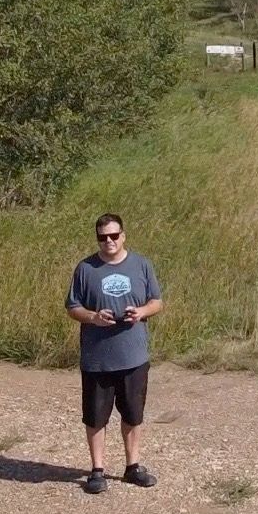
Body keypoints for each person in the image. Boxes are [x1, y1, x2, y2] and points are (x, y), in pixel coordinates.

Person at [65, 212, 164, 495]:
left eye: (113, 235)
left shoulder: (141, 265)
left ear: (123, 236)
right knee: (96, 417)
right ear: (97, 238)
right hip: (97, 358)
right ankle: (97, 470)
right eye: (102, 237)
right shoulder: (85, 269)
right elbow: (73, 307)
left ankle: (133, 467)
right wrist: (93, 317)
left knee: (133, 414)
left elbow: (157, 302)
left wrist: (142, 312)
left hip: (133, 356)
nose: (108, 241)